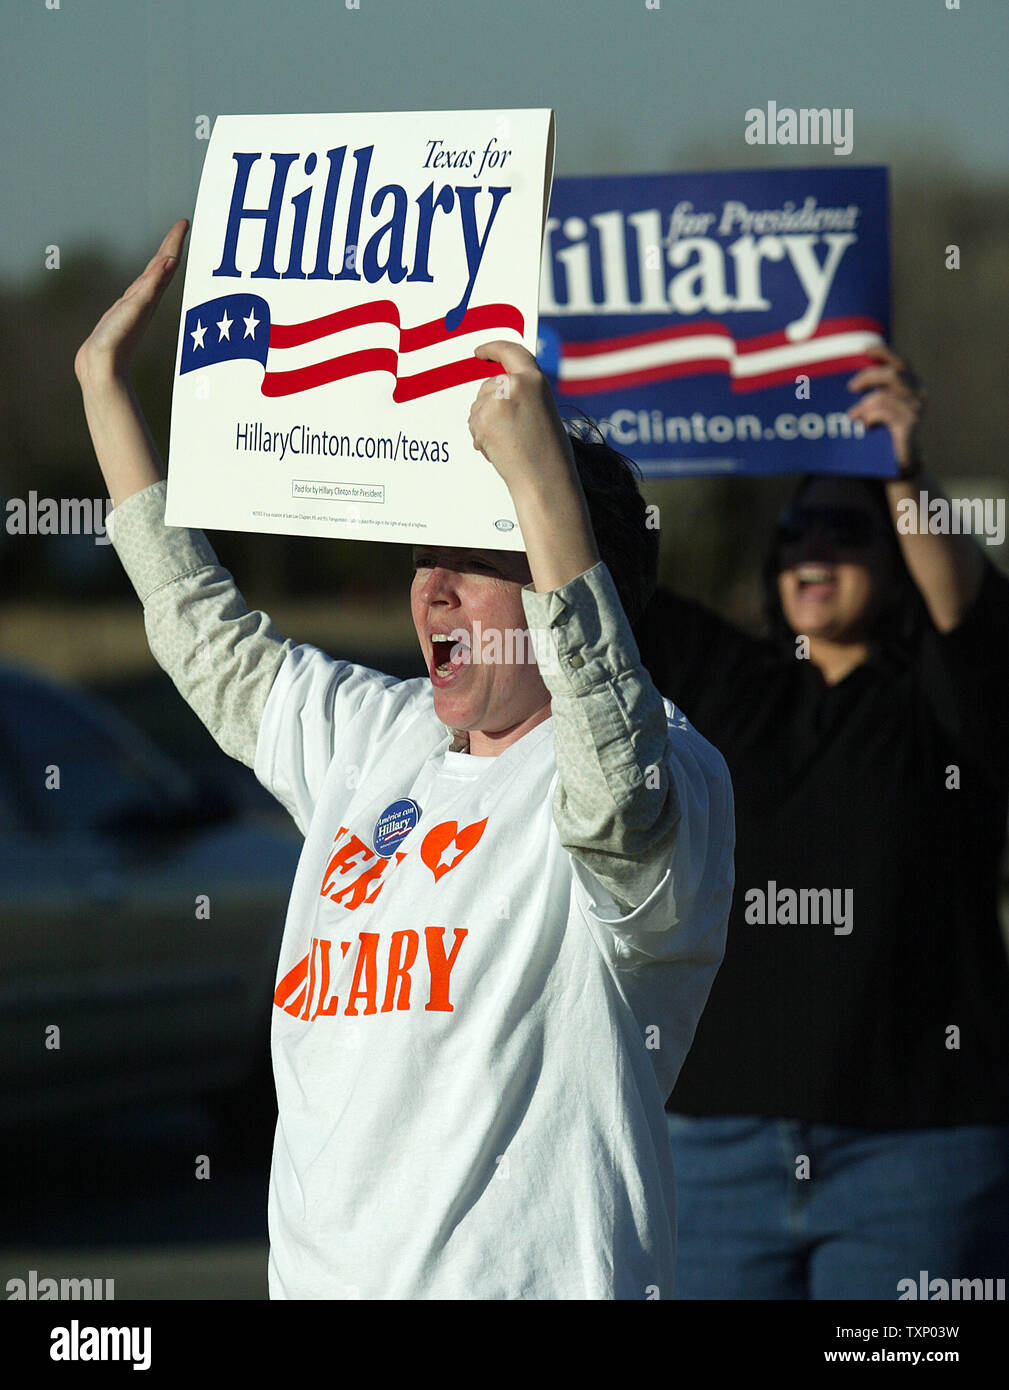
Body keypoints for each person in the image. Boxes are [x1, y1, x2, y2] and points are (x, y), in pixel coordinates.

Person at [74, 220, 734, 1300]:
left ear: (577, 589)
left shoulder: (671, 777)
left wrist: (542, 485)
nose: (432, 587)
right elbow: (202, 634)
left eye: (480, 560)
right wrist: (105, 390)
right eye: (426, 552)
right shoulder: (374, 735)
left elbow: (615, 792)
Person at [636, 346, 1009, 1299]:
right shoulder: (727, 681)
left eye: (846, 529)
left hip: (920, 1159)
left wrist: (903, 470)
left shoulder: (949, 700)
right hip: (708, 1149)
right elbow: (587, 586)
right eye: (795, 526)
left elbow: (964, 612)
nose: (811, 547)